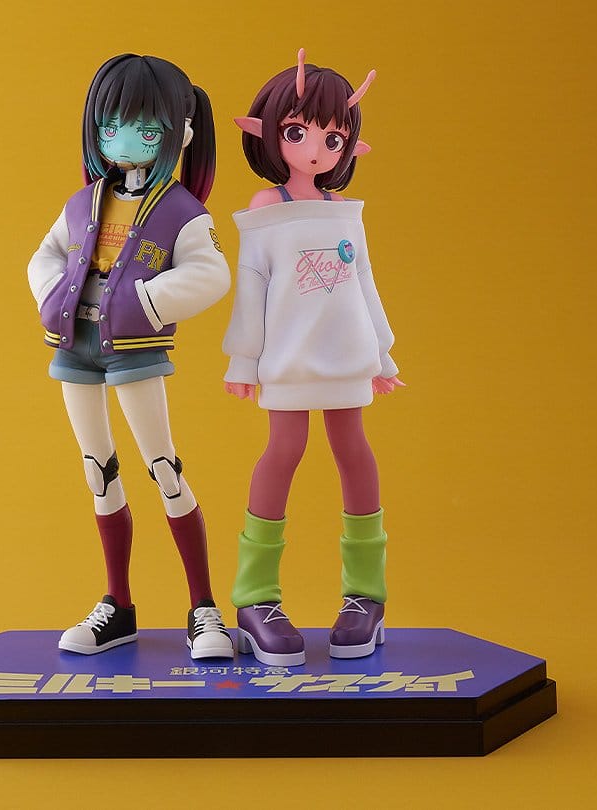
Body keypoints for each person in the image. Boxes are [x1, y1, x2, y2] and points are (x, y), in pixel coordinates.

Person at [28, 54, 233, 659]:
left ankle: (203, 608)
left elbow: (211, 273)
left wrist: (146, 300)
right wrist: (54, 293)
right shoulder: (83, 203)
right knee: (99, 470)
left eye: (145, 130)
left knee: (164, 468)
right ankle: (117, 603)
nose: (122, 141)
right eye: (110, 126)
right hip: (77, 347)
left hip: (136, 350)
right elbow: (45, 255)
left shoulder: (181, 212)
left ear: (181, 133)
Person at [224, 49, 404, 665]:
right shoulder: (265, 209)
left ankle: (366, 596)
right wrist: (242, 360)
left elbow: (365, 284)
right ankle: (255, 598)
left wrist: (382, 354)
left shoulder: (345, 213)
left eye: (334, 138)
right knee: (284, 451)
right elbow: (252, 289)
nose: (317, 150)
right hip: (289, 357)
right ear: (270, 133)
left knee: (354, 451)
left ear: (349, 146)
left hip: (347, 354)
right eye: (298, 133)